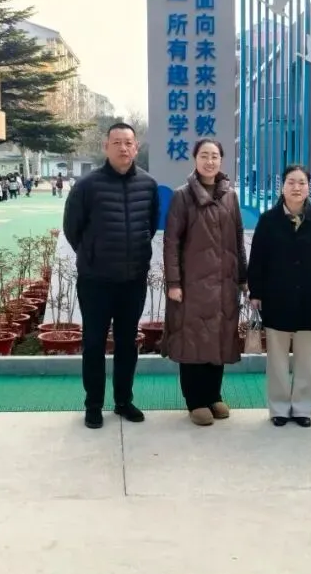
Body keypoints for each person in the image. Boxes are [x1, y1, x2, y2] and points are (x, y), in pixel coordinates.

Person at [63, 122, 158, 430]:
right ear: (106, 147)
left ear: (136, 148)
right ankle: (93, 405)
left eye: (128, 142)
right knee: (93, 343)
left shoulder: (148, 185)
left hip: (133, 280)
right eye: (116, 142)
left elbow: (150, 225)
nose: (123, 148)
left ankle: (123, 401)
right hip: (96, 282)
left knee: (127, 343)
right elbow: (72, 229)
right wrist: (92, 255)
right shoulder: (86, 186)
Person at [163, 138, 247, 427]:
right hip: (192, 285)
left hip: (225, 284)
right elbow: (171, 243)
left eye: (214, 156)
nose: (210, 161)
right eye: (204, 156)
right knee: (193, 340)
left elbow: (238, 239)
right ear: (195, 159)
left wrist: (243, 277)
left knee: (220, 339)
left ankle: (213, 395)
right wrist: (174, 282)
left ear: (221, 160)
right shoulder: (182, 196)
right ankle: (195, 401)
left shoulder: (230, 196)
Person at [248, 165, 311, 427]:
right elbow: (257, 260)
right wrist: (256, 292)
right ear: (282, 187)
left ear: (309, 187)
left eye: (301, 182)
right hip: (276, 299)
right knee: (276, 359)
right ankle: (278, 408)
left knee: (305, 359)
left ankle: (302, 408)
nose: (296, 187)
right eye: (291, 182)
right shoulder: (268, 220)